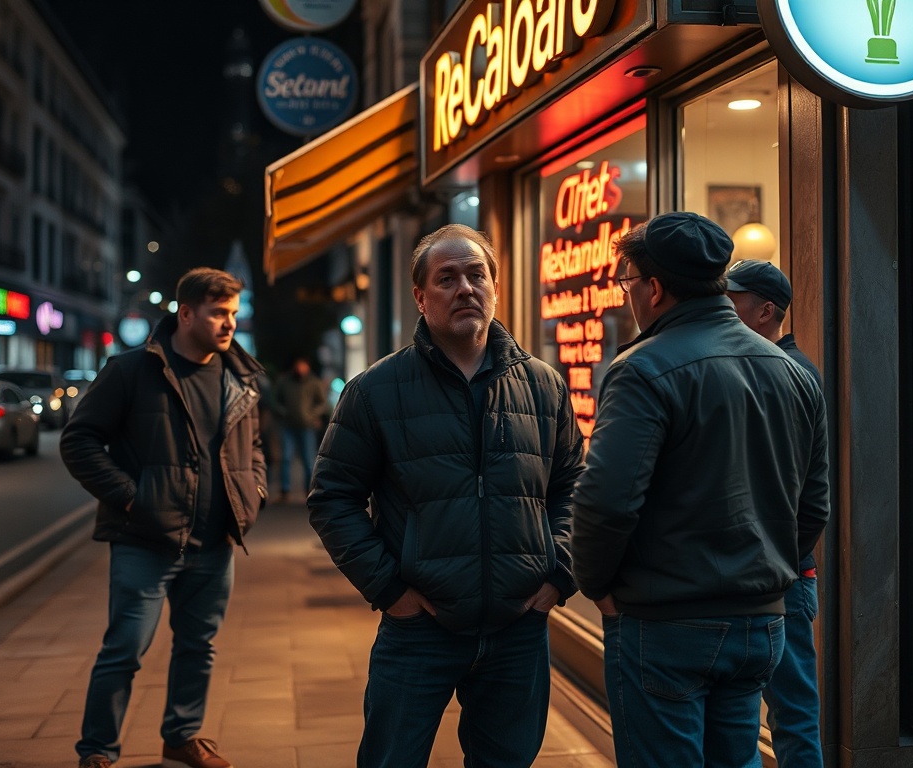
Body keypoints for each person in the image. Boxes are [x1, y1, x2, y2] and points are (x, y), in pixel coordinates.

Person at [307, 223, 585, 768]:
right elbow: (332, 499)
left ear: (495, 288)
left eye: (476, 274)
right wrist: (390, 588)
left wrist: (559, 575)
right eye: (447, 277)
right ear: (420, 296)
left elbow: (575, 486)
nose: (465, 288)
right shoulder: (376, 390)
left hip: (517, 630)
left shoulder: (543, 384)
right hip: (419, 630)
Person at [570, 212, 830, 768]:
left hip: (665, 624)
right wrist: (770, 572)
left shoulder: (641, 370)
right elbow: (813, 507)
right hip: (760, 623)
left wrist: (597, 584)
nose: (627, 297)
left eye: (627, 283)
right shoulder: (792, 373)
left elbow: (605, 502)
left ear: (655, 288)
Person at [61, 267, 267, 768]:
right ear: (187, 312)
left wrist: (253, 490)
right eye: (219, 313)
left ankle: (182, 735)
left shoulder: (241, 375)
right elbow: (79, 440)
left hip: (215, 541)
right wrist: (132, 498)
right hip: (145, 539)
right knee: (124, 650)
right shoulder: (132, 370)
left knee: (199, 645)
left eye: (234, 314)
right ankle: (97, 751)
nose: (228, 324)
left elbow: (254, 446)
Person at [726, 258, 825, 768]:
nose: (725, 305)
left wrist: (778, 558)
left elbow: (813, 498)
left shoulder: (788, 373)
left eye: (735, 299)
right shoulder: (760, 366)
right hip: (775, 571)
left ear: (765, 311)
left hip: (782, 576)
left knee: (792, 713)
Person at [272, 356, 327, 502]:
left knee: (309, 460)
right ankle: (285, 491)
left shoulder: (313, 382)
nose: (300, 369)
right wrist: (283, 412)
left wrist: (311, 415)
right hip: (288, 426)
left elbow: (322, 403)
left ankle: (309, 491)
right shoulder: (284, 381)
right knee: (286, 458)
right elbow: (275, 400)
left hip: (307, 427)